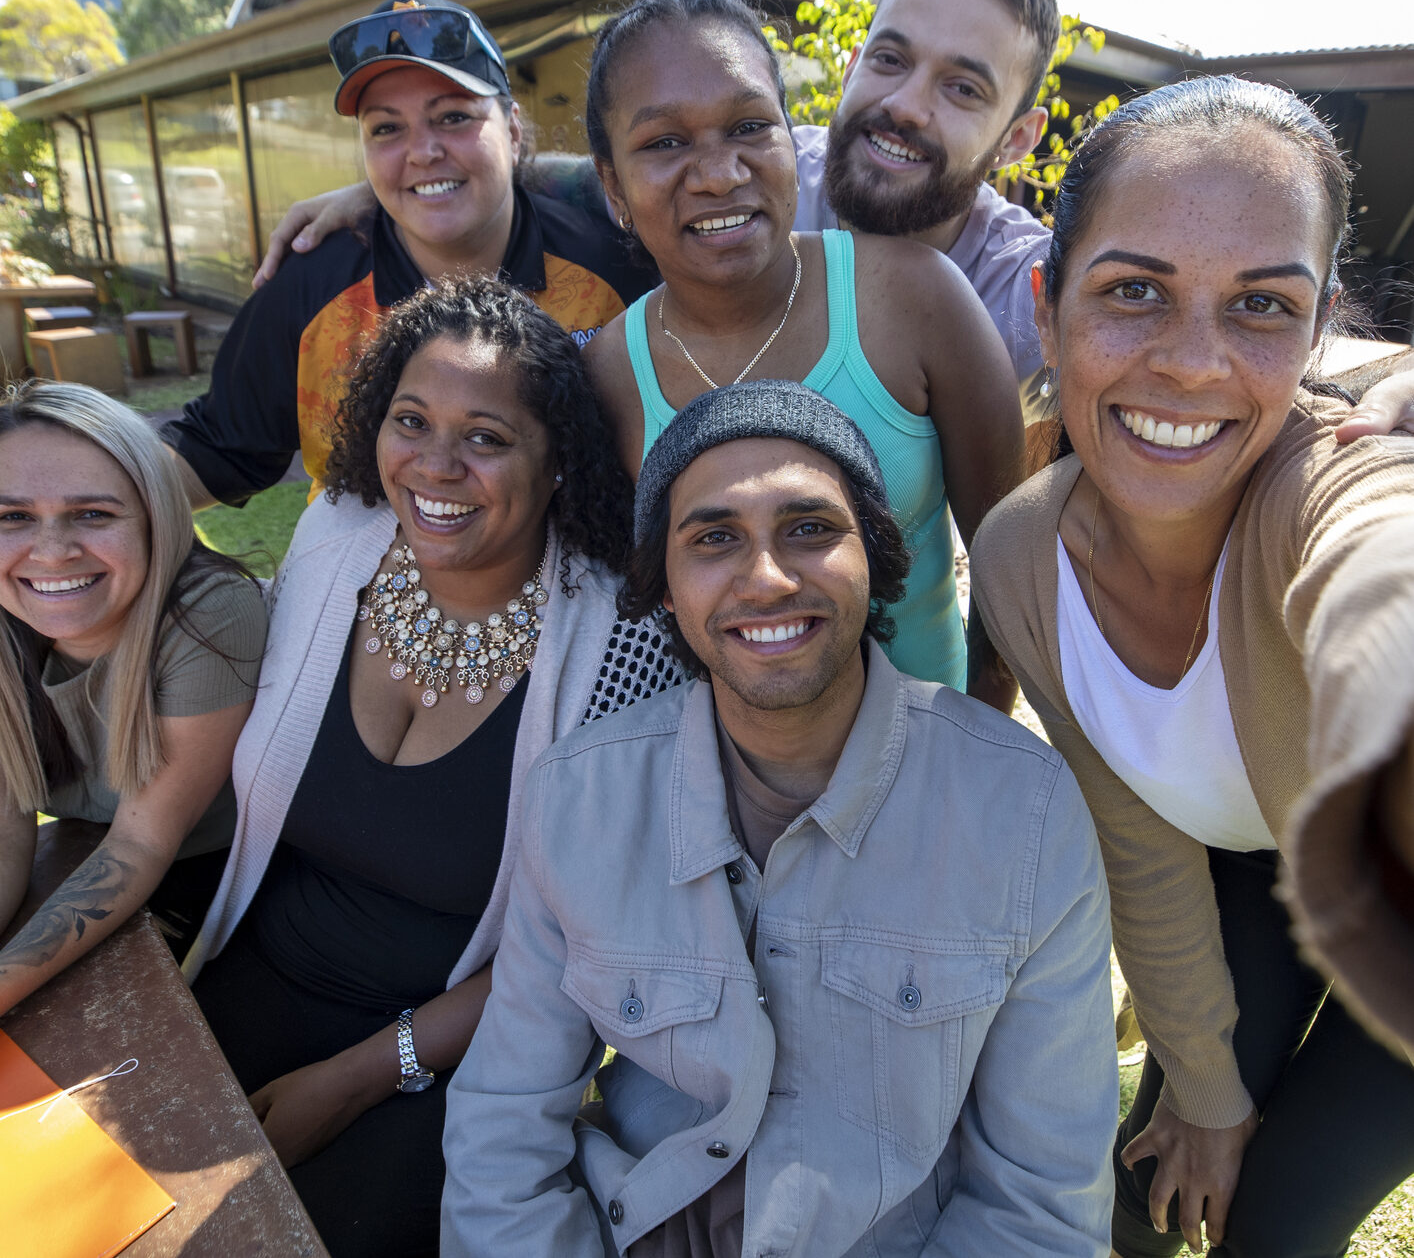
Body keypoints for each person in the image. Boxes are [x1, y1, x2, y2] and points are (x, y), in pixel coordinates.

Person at [441, 380, 1117, 1257]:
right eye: (715, 539)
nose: (765, 577)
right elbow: (504, 1129)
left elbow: (1040, 1206)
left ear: (876, 554)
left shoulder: (1022, 814)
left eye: (810, 529)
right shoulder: (580, 798)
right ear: (665, 586)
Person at [252, 0, 1414, 443]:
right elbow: (573, 167)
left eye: (963, 88)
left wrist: (1388, 386)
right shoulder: (763, 164)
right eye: (892, 58)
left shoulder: (1007, 281)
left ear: (1017, 137)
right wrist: (404, 188)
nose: (907, 105)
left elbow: (1184, 319)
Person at [969, 76, 1414, 1258]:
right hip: (1264, 869)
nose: (1192, 362)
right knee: (1154, 1176)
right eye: (1133, 292)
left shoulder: (1340, 481)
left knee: (1276, 1224)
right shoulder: (1021, 556)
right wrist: (1208, 1091)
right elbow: (1139, 837)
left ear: (1320, 331)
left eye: (1260, 305)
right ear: (1046, 302)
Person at [183, 277, 680, 1258]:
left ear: (557, 467)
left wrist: (364, 1072)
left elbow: (581, 949)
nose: (436, 466)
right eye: (410, 420)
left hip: (455, 1053)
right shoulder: (335, 543)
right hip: (245, 976)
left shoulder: (622, 645)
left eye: (486, 438)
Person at [580, 0, 1023, 704]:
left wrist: (978, 742)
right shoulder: (609, 376)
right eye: (664, 143)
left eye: (750, 127)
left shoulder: (915, 300)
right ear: (613, 187)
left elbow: (1013, 576)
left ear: (795, 138)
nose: (720, 174)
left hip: (930, 768)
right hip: (727, 786)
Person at [160, 0, 654, 508]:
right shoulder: (312, 289)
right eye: (387, 128)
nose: (423, 151)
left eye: (454, 117)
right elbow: (215, 451)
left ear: (511, 131)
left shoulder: (612, 270)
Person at [0, 381, 264, 1015]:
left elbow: (141, 845)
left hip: (217, 884)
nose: (53, 551)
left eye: (93, 513)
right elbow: (6, 831)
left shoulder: (210, 614)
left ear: (155, 516)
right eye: (13, 516)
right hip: (82, 855)